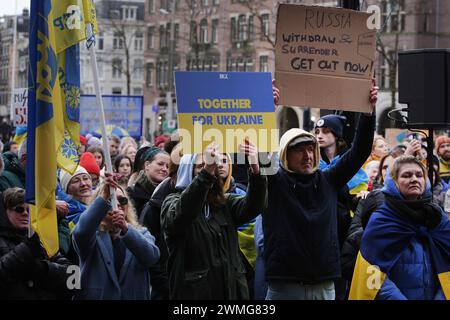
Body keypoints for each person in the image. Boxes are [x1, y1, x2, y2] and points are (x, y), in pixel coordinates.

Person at [262, 83, 378, 300]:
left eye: (310, 149)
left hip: (325, 284)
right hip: (285, 285)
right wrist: (268, 110)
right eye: (299, 150)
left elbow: (360, 150)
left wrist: (368, 112)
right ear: (285, 155)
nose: (308, 155)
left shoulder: (329, 180)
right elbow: (260, 155)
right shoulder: (274, 183)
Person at [160, 140, 267, 299]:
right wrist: (206, 172)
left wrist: (255, 169)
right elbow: (182, 214)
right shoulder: (171, 202)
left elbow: (254, 206)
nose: (211, 170)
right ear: (186, 171)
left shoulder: (224, 203)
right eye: (200, 166)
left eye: (212, 165)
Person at [349, 156, 450, 300]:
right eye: (406, 175)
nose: (414, 179)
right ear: (394, 182)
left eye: (419, 175)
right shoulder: (382, 220)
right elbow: (372, 276)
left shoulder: (437, 218)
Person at [72, 174, 160, 300]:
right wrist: (104, 196)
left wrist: (125, 229)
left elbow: (152, 257)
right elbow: (81, 232)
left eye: (122, 200)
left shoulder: (141, 233)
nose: (117, 204)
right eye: (111, 200)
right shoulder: (92, 235)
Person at [0, 188, 73, 299]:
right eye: (19, 209)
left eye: (30, 210)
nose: (25, 213)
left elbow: (74, 280)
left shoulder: (43, 240)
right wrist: (26, 250)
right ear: (5, 212)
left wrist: (43, 269)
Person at [127, 146, 170, 218]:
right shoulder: (131, 193)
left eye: (168, 166)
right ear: (147, 165)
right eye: (160, 164)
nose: (164, 169)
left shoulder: (170, 193)